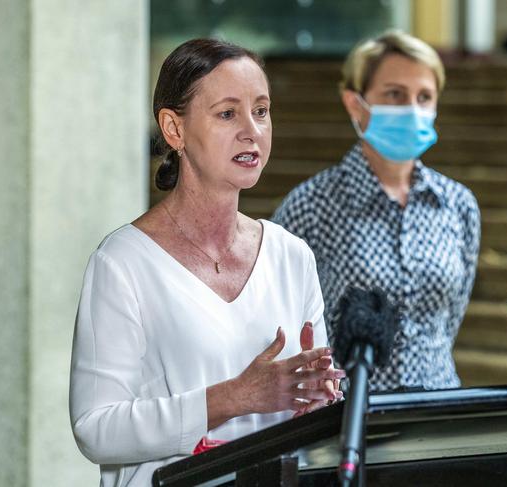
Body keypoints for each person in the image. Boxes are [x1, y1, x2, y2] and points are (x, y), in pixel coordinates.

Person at [69, 38, 344, 486]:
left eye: (261, 110)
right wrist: (235, 397)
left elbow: (308, 420)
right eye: (227, 113)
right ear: (173, 130)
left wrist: (316, 404)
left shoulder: (292, 255)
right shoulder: (122, 263)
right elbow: (95, 429)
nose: (251, 130)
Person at [273, 30, 480, 391]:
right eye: (395, 94)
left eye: (424, 97)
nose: (412, 109)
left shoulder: (458, 204)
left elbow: (450, 323)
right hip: (345, 420)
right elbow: (278, 320)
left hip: (440, 411)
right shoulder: (311, 204)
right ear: (356, 103)